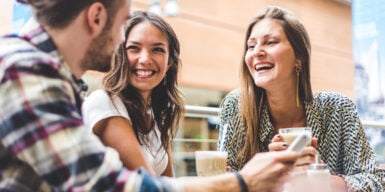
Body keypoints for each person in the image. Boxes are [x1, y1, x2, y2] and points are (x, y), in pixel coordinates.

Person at [0, 0, 299, 191]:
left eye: (158, 50)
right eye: (123, 29)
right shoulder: (25, 71)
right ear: (96, 17)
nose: (121, 42)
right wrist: (243, 182)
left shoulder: (52, 76)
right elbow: (107, 186)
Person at [216, 6, 385, 192]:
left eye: (270, 42)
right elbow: (222, 177)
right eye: (251, 46)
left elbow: (376, 182)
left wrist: (320, 178)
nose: (257, 52)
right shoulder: (235, 107)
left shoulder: (337, 108)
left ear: (299, 57)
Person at [82, 11, 183, 177]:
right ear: (120, 53)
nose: (144, 59)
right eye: (133, 48)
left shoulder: (158, 114)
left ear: (170, 61)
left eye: (157, 49)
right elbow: (151, 186)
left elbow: (169, 182)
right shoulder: (105, 104)